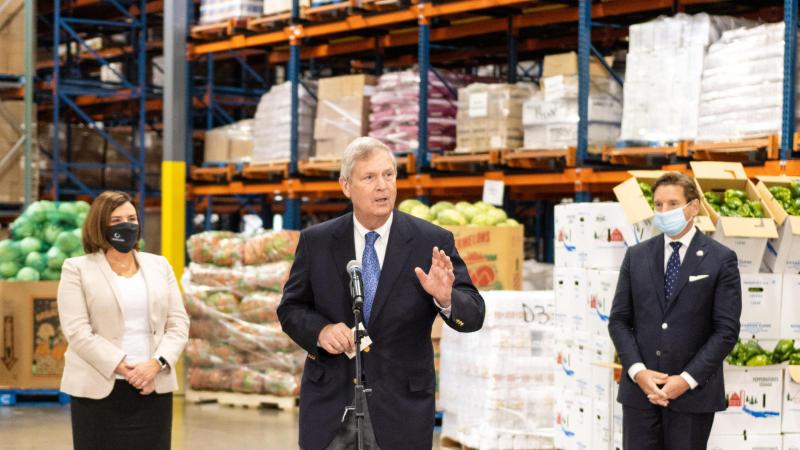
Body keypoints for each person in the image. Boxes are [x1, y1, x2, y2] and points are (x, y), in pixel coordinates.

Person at [278, 137, 486, 450]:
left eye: (389, 175)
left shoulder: (429, 240)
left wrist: (445, 298)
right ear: (346, 186)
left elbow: (474, 313)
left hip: (401, 411)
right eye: (369, 177)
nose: (382, 186)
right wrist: (320, 331)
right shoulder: (317, 242)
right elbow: (291, 309)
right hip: (331, 409)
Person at [608, 172, 742, 450]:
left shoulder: (721, 259)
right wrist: (638, 372)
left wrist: (686, 380)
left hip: (693, 398)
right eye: (658, 205)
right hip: (640, 396)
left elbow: (725, 331)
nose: (664, 211)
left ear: (693, 207)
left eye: (672, 204)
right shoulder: (637, 256)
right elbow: (619, 321)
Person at [57, 191, 190, 450]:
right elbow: (76, 331)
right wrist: (124, 368)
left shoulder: (159, 266)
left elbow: (178, 323)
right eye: (117, 220)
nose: (127, 225)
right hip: (98, 390)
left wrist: (156, 364)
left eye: (132, 218)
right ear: (99, 225)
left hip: (152, 387)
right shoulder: (76, 269)